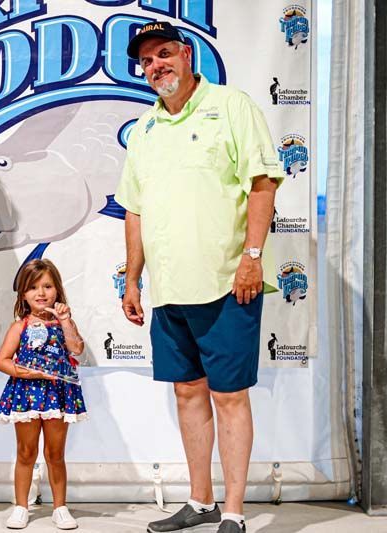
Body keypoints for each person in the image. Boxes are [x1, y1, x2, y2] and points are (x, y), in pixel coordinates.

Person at [116, 22, 284, 533]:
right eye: (146, 61)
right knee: (187, 393)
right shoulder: (143, 130)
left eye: (164, 54)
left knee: (229, 395)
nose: (155, 66)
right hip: (169, 290)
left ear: (187, 55)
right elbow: (135, 211)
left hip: (227, 283)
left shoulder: (232, 107)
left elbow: (262, 183)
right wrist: (132, 279)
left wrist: (252, 256)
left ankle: (233, 510)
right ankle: (201, 501)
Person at [0, 259, 87, 530]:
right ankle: (21, 506)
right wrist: (30, 373)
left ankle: (60, 507)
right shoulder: (19, 326)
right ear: (23, 294)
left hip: (58, 395)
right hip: (26, 395)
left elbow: (77, 348)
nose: (41, 293)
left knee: (55, 453)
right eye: (33, 287)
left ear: (58, 290)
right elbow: (3, 360)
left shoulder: (63, 323)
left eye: (47, 286)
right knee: (25, 452)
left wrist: (66, 320)